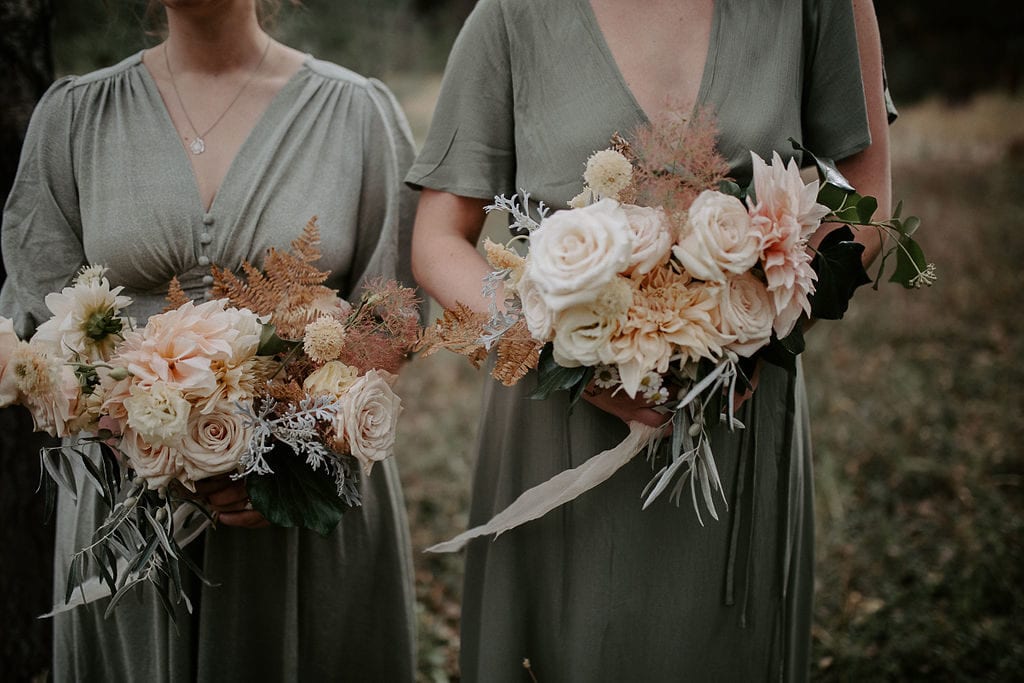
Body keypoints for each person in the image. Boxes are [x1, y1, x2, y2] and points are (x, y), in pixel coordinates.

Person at [407, 0, 895, 680]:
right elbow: (437, 239)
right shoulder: (512, 16)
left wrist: (746, 328)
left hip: (738, 410)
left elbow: (866, 202)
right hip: (563, 417)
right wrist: (557, 344)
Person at [0, 0, 418, 679]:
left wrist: (289, 451)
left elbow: (390, 318)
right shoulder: (75, 118)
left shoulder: (357, 112)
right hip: (129, 515)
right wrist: (146, 438)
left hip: (299, 506)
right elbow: (36, 327)